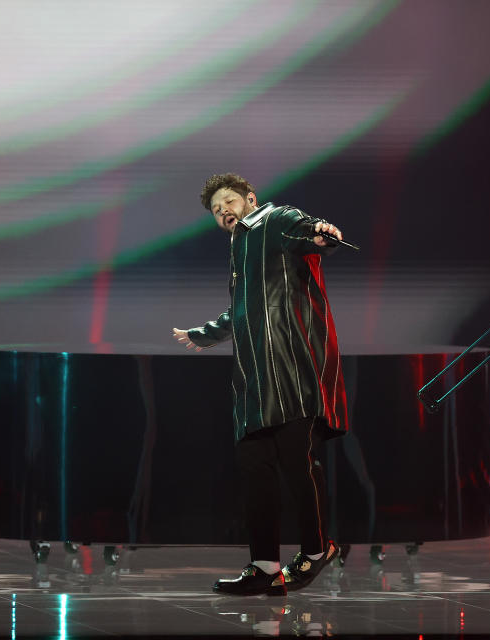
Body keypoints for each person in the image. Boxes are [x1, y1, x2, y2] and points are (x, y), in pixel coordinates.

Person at [173, 173, 349, 596]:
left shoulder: (275, 219)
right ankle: (265, 565)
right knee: (256, 470)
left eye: (229, 201)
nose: (224, 212)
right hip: (255, 379)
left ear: (250, 199)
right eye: (216, 210)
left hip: (294, 370)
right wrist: (204, 334)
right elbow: (242, 310)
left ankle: (317, 548)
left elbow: (309, 231)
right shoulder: (242, 247)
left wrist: (322, 233)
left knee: (296, 461)